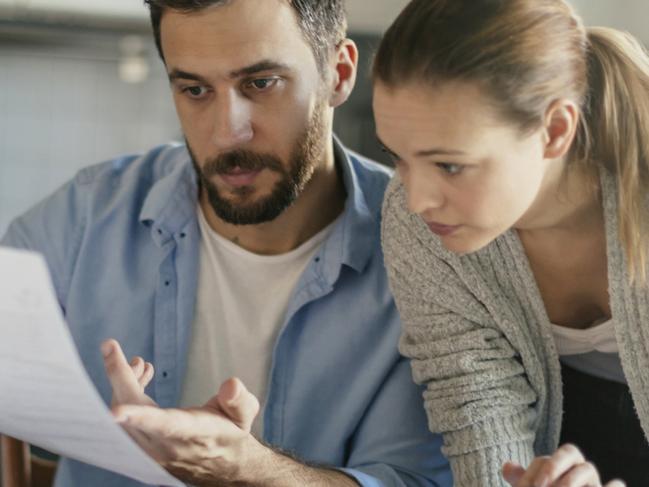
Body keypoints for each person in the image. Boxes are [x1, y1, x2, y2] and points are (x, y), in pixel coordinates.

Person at [0, 0, 451, 486]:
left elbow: (417, 481)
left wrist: (247, 471)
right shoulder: (86, 218)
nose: (227, 131)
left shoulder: (431, 252)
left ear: (338, 73)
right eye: (195, 89)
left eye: (260, 84)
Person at [372, 0, 649, 486]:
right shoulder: (419, 226)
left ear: (554, 131)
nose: (416, 200)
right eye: (398, 157)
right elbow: (475, 406)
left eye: (450, 165)